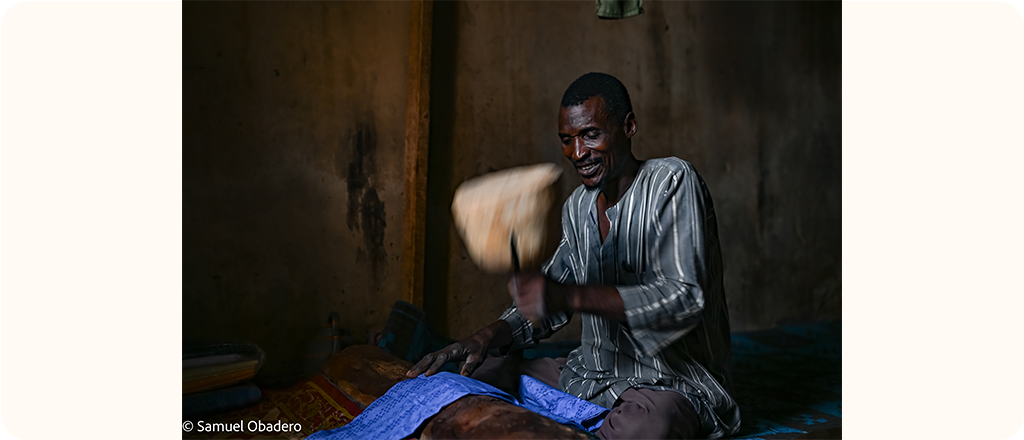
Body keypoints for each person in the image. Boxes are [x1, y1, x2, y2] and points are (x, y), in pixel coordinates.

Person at [407, 72, 740, 439]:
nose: (578, 154)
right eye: (567, 140)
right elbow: (552, 295)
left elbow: (682, 298)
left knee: (647, 426)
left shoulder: (671, 181)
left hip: (668, 383)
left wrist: (567, 296)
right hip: (591, 376)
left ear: (628, 126)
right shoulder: (578, 207)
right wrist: (488, 335)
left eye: (591, 135)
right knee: (478, 374)